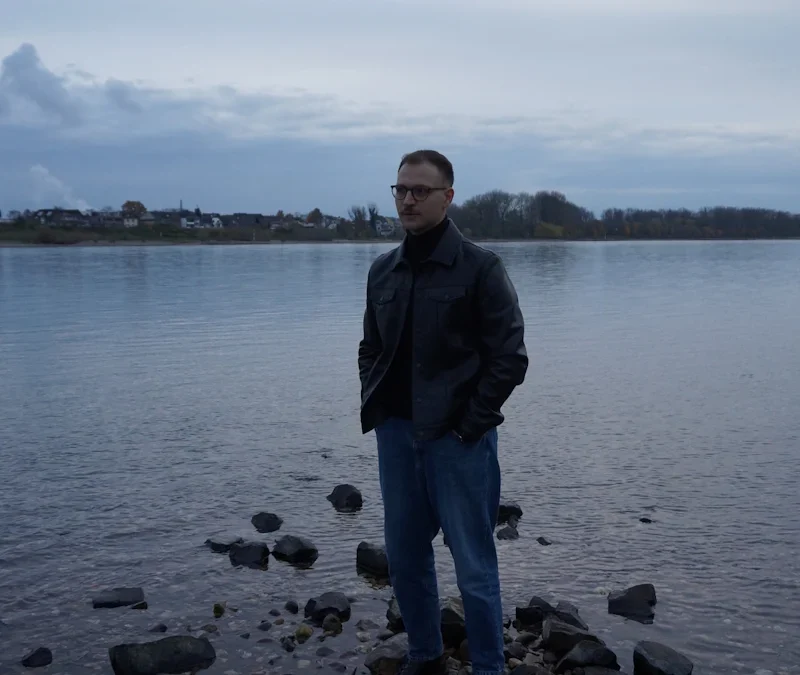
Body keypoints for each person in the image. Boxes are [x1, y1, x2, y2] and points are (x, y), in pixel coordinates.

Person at [358, 149, 528, 675]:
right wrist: (377, 405)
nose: (408, 200)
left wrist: (469, 426)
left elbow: (510, 358)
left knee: (473, 565)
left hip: (459, 441)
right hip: (395, 436)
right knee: (405, 559)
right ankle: (425, 655)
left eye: (420, 191)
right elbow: (370, 348)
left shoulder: (480, 267)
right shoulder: (383, 271)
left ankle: (490, 667)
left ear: (447, 197)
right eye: (401, 190)